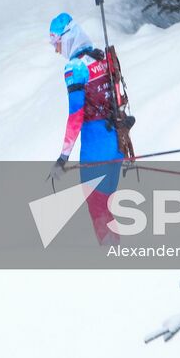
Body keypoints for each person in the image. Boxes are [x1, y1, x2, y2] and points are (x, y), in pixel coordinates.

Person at [47, 12, 122, 245]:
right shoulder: (101, 58)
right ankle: (119, 255)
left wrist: (63, 157)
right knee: (107, 204)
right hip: (117, 143)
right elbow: (117, 97)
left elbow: (76, 115)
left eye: (56, 43)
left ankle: (112, 258)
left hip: (95, 148)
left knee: (98, 206)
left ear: (67, 38)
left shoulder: (75, 67)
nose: (57, 50)